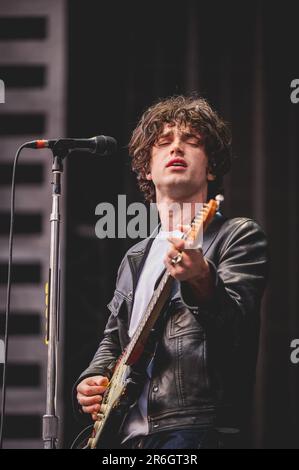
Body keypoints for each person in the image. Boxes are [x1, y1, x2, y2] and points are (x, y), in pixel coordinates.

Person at [74, 95, 268, 449]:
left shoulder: (237, 235)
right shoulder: (135, 256)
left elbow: (237, 326)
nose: (176, 147)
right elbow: (114, 339)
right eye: (163, 142)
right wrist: (93, 378)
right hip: (126, 435)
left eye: (191, 141)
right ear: (146, 169)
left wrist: (201, 279)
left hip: (194, 430)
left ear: (211, 168)